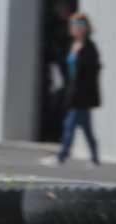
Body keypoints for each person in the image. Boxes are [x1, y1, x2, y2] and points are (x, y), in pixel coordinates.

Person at [42, 12, 101, 167]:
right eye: (73, 25)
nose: (75, 28)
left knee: (69, 126)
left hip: (82, 96)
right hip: (72, 93)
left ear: (85, 28)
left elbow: (91, 73)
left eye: (79, 25)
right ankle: (94, 158)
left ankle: (62, 156)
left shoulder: (89, 47)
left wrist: (84, 95)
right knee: (86, 130)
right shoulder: (73, 45)